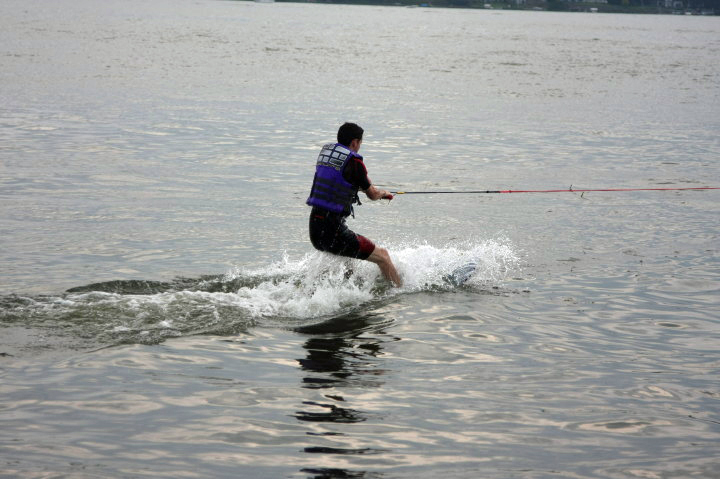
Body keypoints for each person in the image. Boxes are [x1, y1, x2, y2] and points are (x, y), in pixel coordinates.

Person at [307, 123, 403, 287]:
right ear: (354, 142)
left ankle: (346, 295)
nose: (359, 147)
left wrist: (365, 187)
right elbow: (372, 195)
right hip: (333, 229)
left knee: (349, 263)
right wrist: (383, 193)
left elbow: (340, 182)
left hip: (315, 228)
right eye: (360, 143)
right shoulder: (355, 162)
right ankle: (400, 292)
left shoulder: (327, 153)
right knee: (383, 257)